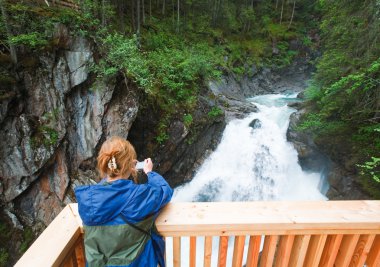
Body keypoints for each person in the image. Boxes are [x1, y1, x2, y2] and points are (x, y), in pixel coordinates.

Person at [75, 136, 173, 267]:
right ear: (130, 165)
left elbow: (108, 191)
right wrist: (150, 173)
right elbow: (164, 191)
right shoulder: (139, 196)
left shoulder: (88, 199)